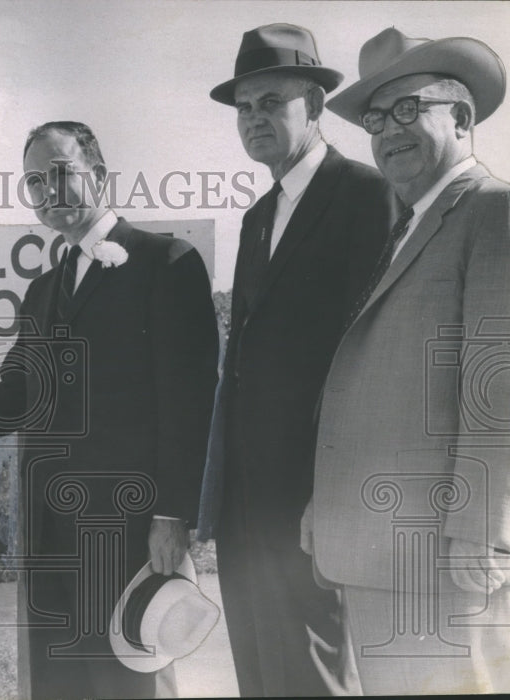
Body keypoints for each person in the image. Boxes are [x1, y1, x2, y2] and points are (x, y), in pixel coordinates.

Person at [0, 121, 218, 699]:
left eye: (59, 172)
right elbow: (14, 397)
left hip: (130, 529)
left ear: (99, 174)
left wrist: (172, 513)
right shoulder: (42, 288)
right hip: (49, 531)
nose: (46, 190)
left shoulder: (166, 261)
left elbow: (190, 399)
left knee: (132, 680)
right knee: (61, 687)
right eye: (33, 180)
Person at [306, 28, 510, 694]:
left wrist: (478, 539)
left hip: (445, 564)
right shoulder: (411, 225)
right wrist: (326, 504)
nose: (387, 131)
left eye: (406, 108)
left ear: (461, 116)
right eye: (373, 117)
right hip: (382, 560)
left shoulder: (492, 211)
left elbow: (494, 390)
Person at [196, 24, 393, 697]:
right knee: (259, 670)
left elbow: (369, 357)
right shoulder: (256, 218)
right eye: (245, 108)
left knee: (313, 671)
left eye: (272, 102)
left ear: (314, 105)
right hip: (245, 501)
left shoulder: (368, 195)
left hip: (314, 497)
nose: (254, 120)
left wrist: (333, 493)